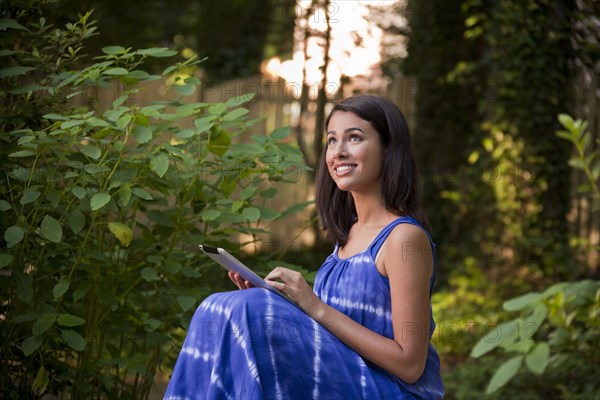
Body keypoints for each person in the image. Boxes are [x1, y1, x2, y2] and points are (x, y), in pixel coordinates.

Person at [164, 95, 444, 399]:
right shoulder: (347, 235)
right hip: (340, 376)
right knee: (219, 308)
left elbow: (410, 364)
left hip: (387, 390)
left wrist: (313, 307)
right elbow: (329, 335)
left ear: (388, 148)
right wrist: (282, 308)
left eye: (354, 137)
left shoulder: (403, 239)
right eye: (332, 141)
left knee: (250, 309)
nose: (339, 152)